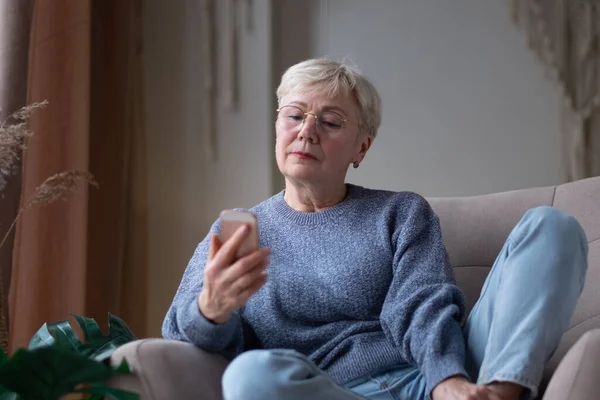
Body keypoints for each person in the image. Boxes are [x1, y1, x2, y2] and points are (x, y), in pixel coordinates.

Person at [162, 58, 588, 400]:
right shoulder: (236, 228)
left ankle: (500, 392)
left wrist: (444, 378)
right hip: (326, 391)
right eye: (294, 115)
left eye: (330, 122)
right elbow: (177, 334)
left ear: (361, 147)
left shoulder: (399, 212)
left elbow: (420, 305)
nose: (306, 131)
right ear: (278, 127)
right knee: (251, 374)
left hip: (429, 380)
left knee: (551, 226)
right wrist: (210, 309)